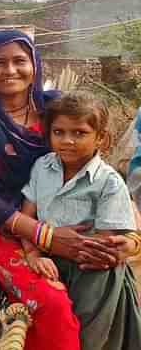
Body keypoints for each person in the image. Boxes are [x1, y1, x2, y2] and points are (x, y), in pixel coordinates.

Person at [0, 29, 140, 350]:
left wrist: (130, 239)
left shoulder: (55, 107)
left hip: (67, 220)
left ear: (34, 64)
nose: (10, 70)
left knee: (108, 275)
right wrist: (43, 237)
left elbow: (100, 171)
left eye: (20, 60)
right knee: (52, 301)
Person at [17, 92, 141, 349]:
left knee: (86, 335)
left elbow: (103, 245)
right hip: (48, 259)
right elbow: (27, 214)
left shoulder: (109, 182)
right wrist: (32, 254)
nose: (67, 141)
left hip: (92, 271)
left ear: (101, 138)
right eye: (59, 132)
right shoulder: (42, 166)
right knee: (44, 327)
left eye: (79, 133)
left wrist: (50, 239)